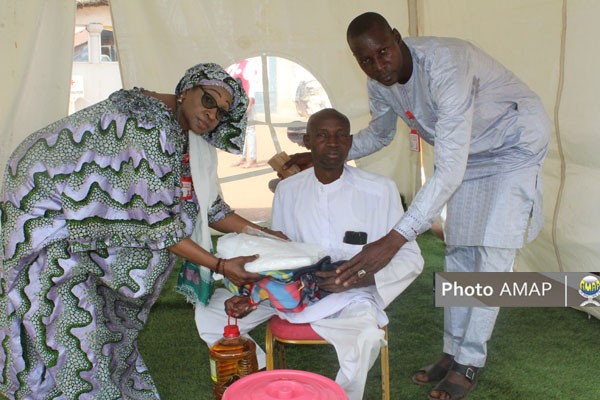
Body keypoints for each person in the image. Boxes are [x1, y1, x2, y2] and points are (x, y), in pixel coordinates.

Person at [285, 12, 551, 400]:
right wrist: (324, 154)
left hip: (513, 146)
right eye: (366, 60)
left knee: (492, 254)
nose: (378, 66)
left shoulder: (445, 65)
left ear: (397, 38)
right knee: (459, 251)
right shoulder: (381, 84)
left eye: (383, 52)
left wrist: (394, 239)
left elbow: (447, 170)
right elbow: (377, 134)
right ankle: (452, 350)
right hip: (469, 157)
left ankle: (470, 361)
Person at [0, 63, 282, 399]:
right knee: (78, 352)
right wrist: (219, 266)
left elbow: (208, 208)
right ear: (186, 89)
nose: (211, 115)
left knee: (110, 343)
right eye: (208, 100)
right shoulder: (146, 129)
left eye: (221, 112)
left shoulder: (181, 132)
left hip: (87, 239)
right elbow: (161, 226)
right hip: (50, 235)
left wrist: (265, 234)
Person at [196, 108, 424, 400]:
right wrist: (253, 294)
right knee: (210, 314)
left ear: (350, 141)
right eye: (322, 135)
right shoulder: (288, 190)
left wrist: (358, 279)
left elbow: (411, 257)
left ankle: (338, 396)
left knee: (365, 339)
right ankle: (267, 386)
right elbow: (277, 256)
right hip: (288, 292)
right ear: (307, 141)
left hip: (351, 296)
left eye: (341, 135)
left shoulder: (381, 190)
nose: (333, 142)